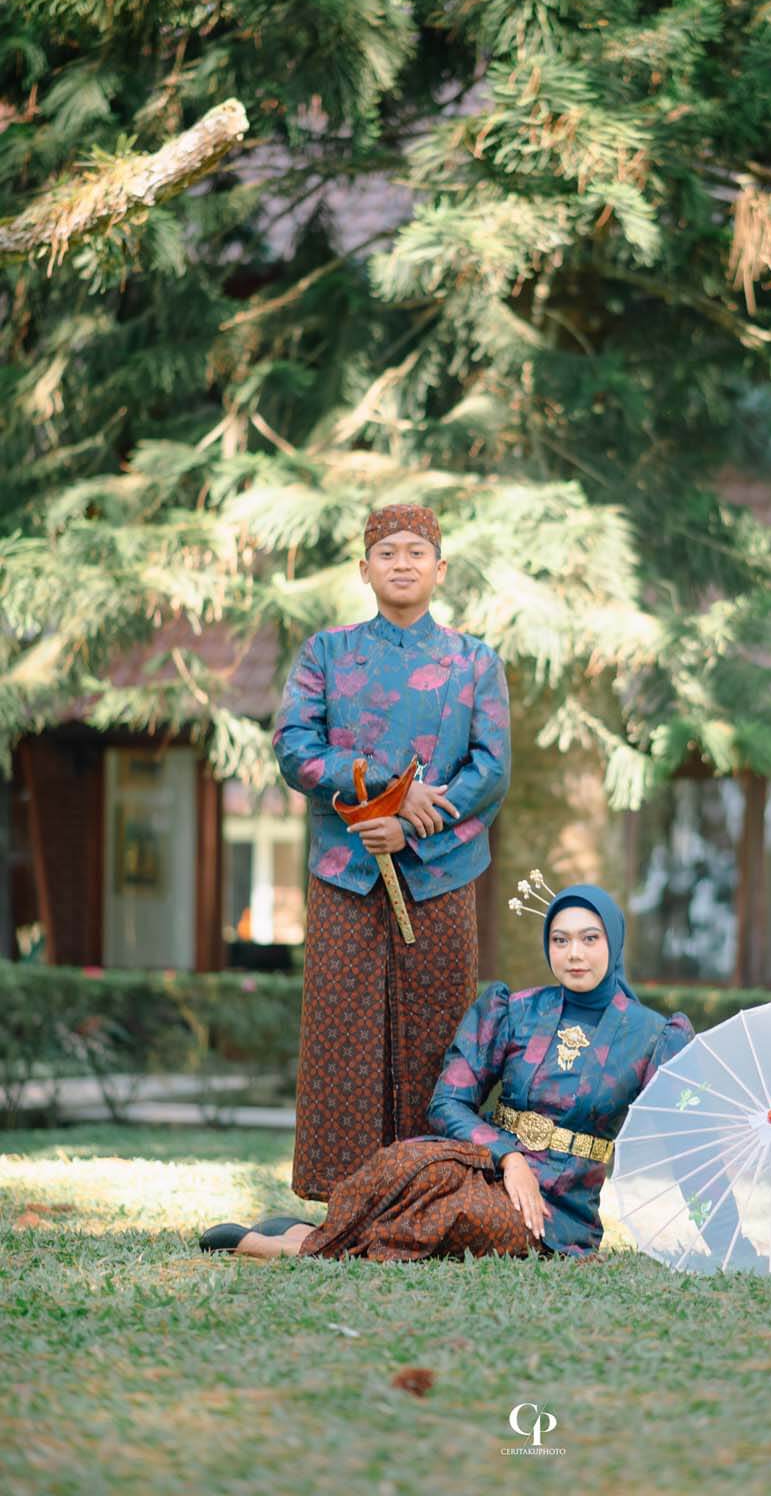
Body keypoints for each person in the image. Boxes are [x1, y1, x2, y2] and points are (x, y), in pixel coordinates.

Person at [199, 884, 694, 1261]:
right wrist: (508, 1157)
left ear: (614, 942)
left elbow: (689, 1137)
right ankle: (320, 1232)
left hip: (555, 1210)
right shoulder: (515, 1010)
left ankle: (290, 1246)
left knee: (458, 1214)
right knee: (406, 1164)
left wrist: (721, 1227)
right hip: (488, 1165)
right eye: (560, 940)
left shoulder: (651, 1036)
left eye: (590, 939)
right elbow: (447, 1102)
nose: (574, 954)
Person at [272, 503, 510, 1201]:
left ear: (440, 569)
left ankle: (431, 1188)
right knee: (340, 1033)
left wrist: (411, 828)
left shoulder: (475, 661)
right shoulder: (326, 653)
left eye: (416, 552)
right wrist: (386, 792)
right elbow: (294, 747)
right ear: (364, 569)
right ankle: (341, 1194)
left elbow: (490, 770)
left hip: (440, 875)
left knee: (440, 1034)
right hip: (346, 872)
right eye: (387, 552)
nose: (401, 563)